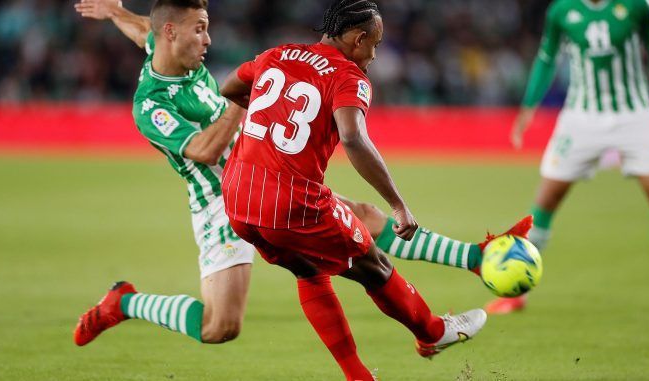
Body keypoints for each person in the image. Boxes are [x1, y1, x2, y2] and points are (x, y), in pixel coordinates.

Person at [72, 0, 530, 351]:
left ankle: (475, 259)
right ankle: (126, 302)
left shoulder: (166, 48)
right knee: (219, 327)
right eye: (200, 29)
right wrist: (246, 98)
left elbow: (144, 30)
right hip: (220, 203)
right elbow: (206, 150)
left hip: (266, 174)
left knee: (361, 220)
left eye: (207, 27)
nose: (208, 40)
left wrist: (116, 10)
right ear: (172, 34)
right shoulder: (151, 106)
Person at [216, 1, 521, 379]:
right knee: (373, 263)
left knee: (308, 269)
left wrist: (272, 118)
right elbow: (353, 138)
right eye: (374, 44)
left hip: (238, 197)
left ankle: (358, 375)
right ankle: (432, 332)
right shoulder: (348, 76)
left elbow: (229, 87)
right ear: (358, 39)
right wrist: (398, 203)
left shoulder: (276, 54)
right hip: (291, 201)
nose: (374, 55)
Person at [489, 0, 649, 315]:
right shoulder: (562, 11)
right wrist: (529, 107)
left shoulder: (639, 5)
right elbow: (546, 59)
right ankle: (517, 292)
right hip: (581, 117)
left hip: (634, 114)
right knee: (546, 199)